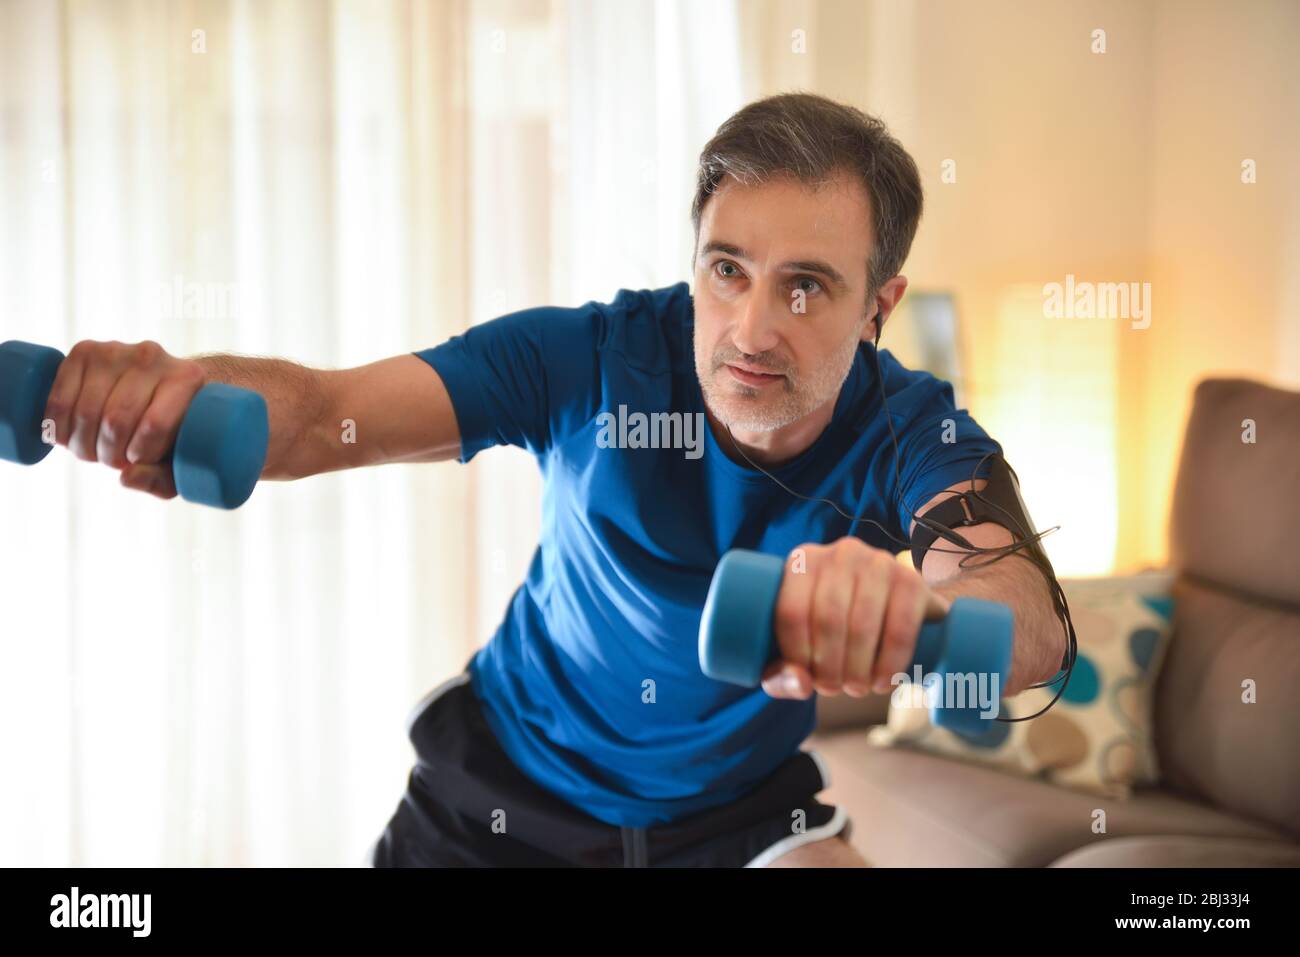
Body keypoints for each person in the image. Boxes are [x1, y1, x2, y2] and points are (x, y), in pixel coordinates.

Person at [39, 93, 1063, 867]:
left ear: (879, 306)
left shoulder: (912, 427)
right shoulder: (587, 359)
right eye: (727, 269)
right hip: (503, 786)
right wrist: (162, 394)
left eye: (805, 286)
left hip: (733, 814)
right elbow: (318, 413)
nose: (751, 329)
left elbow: (1021, 621)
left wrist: (916, 611)